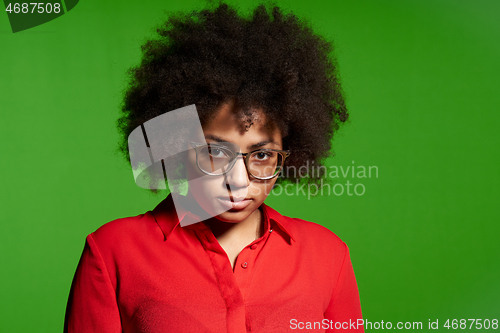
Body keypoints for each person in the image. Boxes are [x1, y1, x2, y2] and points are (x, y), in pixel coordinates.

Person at [64, 2, 363, 332]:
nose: (237, 182)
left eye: (262, 156)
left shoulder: (327, 255)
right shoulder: (112, 251)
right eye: (215, 153)